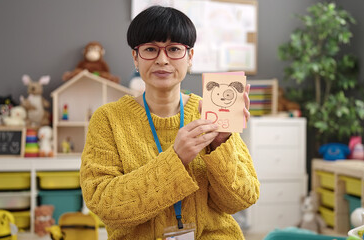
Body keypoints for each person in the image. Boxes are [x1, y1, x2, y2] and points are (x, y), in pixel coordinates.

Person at [80, 5, 259, 240]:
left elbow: (242, 199)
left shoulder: (212, 114)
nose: (162, 60)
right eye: (150, 49)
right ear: (135, 57)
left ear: (190, 57)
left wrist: (220, 144)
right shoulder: (108, 119)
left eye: (174, 49)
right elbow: (104, 204)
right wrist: (177, 159)